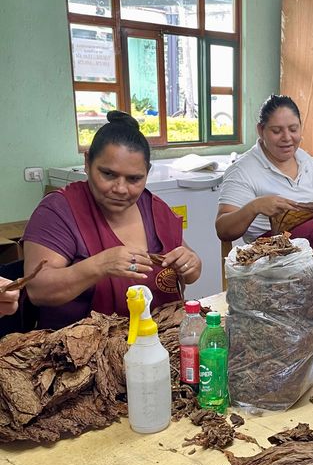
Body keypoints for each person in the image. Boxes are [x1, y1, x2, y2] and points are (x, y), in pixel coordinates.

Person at [23, 111, 201, 330]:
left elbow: (190, 270)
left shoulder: (154, 208)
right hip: (79, 345)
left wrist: (191, 264)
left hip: (155, 337)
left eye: (134, 179)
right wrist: (100, 265)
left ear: (147, 173)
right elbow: (38, 290)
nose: (120, 189)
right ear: (87, 162)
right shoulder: (59, 211)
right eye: (108, 174)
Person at [216, 95, 313, 253]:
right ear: (261, 130)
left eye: (293, 129)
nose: (287, 138)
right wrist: (254, 207)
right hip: (274, 256)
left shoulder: (303, 159)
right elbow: (223, 230)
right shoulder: (242, 170)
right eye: (277, 131)